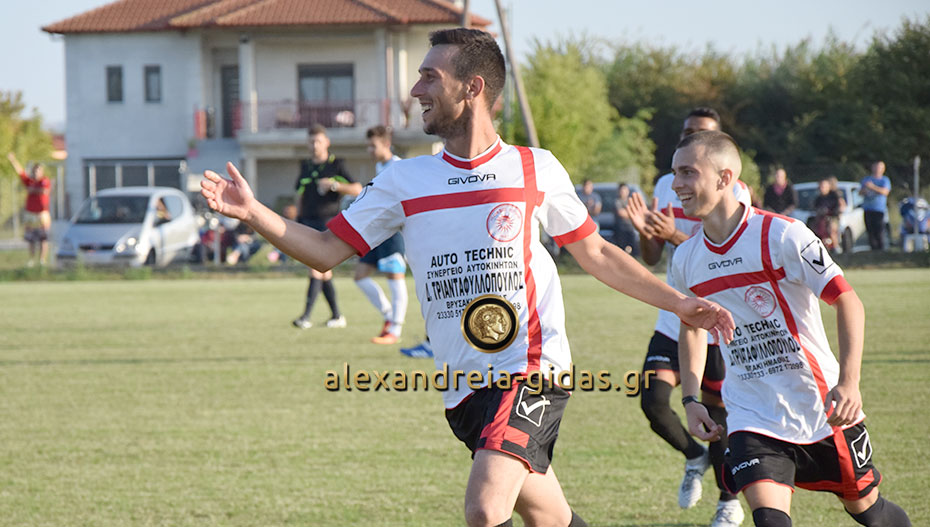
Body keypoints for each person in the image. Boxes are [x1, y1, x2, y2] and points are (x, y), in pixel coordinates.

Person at [201, 28, 735, 527]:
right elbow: (323, 251)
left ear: (473, 88)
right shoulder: (404, 179)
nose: (415, 89)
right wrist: (252, 213)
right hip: (461, 385)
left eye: (430, 76)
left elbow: (596, 252)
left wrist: (680, 302)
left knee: (484, 508)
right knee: (549, 516)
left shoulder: (535, 168)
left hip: (532, 366)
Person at [672, 130, 910, 527]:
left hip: (822, 408)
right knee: (769, 519)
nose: (677, 184)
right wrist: (692, 398)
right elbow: (692, 328)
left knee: (869, 510)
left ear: (724, 177)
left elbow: (847, 300)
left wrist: (849, 382)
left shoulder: (781, 235)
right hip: (751, 414)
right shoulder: (686, 259)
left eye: (687, 172)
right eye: (674, 173)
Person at [625, 107, 748, 527]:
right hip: (675, 313)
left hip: (715, 321)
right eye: (685, 131)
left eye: (698, 133)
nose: (688, 137)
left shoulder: (737, 191)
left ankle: (727, 501)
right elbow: (654, 255)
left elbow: (719, 251)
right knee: (653, 400)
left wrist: (673, 234)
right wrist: (646, 232)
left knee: (715, 414)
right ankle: (693, 457)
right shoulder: (668, 183)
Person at [291, 124, 362, 329]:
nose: (314, 145)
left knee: (316, 268)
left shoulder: (336, 165)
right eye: (311, 141)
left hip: (328, 223)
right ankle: (337, 316)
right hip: (307, 222)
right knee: (323, 271)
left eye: (318, 141)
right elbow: (300, 194)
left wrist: (335, 185)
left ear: (327, 142)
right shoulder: (305, 166)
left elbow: (357, 189)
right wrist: (296, 218)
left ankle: (305, 317)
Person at [355, 125, 409, 344]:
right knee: (360, 275)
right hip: (378, 231)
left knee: (395, 279)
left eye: (373, 146)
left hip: (393, 233)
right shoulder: (380, 165)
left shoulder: (398, 166)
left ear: (386, 144)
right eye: (368, 146)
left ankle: (394, 330)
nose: (370, 150)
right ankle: (388, 314)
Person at [7, 152, 52, 267]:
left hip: (42, 214)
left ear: (41, 172)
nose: (36, 172)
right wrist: (13, 160)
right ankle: (31, 260)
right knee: (31, 239)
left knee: (43, 238)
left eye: (38, 170)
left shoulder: (44, 181)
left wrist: (32, 190)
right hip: (30, 213)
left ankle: (42, 260)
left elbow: (44, 190)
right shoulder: (30, 182)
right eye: (34, 170)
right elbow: (20, 172)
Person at [859, 161, 891, 251]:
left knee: (879, 231)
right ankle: (873, 250)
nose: (877, 170)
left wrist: (872, 187)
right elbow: (860, 192)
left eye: (880, 168)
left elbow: (885, 192)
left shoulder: (884, 180)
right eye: (876, 167)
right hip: (868, 209)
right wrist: (865, 190)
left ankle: (881, 250)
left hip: (879, 210)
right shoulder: (866, 179)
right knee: (870, 231)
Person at [810, 177, 845, 251]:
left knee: (831, 228)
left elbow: (839, 207)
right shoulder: (818, 198)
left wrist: (833, 212)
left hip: (833, 217)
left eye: (824, 186)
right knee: (814, 228)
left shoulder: (834, 196)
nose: (822, 188)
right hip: (821, 217)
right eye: (821, 186)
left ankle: (836, 246)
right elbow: (814, 208)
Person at [612, 183, 639, 256]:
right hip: (620, 228)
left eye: (625, 190)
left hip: (631, 227)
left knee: (634, 248)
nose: (623, 192)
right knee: (621, 248)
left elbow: (637, 212)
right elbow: (621, 213)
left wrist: (629, 212)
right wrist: (631, 212)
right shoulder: (617, 201)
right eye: (621, 190)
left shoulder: (631, 201)